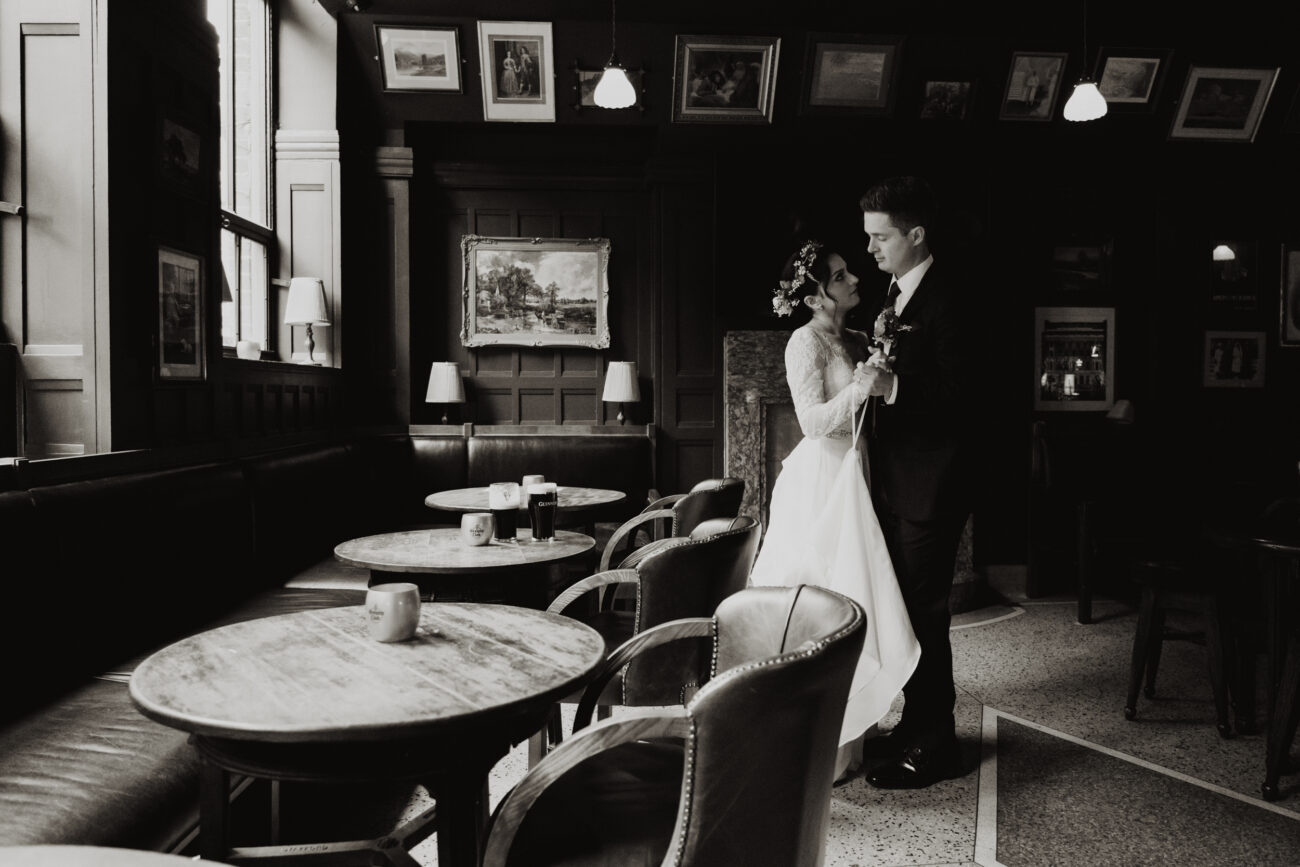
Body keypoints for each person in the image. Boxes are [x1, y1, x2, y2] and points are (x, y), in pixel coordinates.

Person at [750, 238, 921, 783]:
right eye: (840, 276)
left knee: (861, 595)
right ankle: (819, 739)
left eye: (849, 271)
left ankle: (858, 731)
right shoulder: (804, 342)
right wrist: (861, 388)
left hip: (858, 470)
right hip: (823, 475)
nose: (852, 279)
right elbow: (811, 422)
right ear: (815, 297)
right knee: (826, 595)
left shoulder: (854, 335)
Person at [857, 176, 973, 789]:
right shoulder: (893, 295)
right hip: (898, 480)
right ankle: (913, 723)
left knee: (926, 614)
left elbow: (965, 396)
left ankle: (937, 743)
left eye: (881, 237)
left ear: (916, 235)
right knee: (904, 609)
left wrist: (893, 387)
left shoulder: (951, 298)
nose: (872, 249)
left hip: (933, 484)